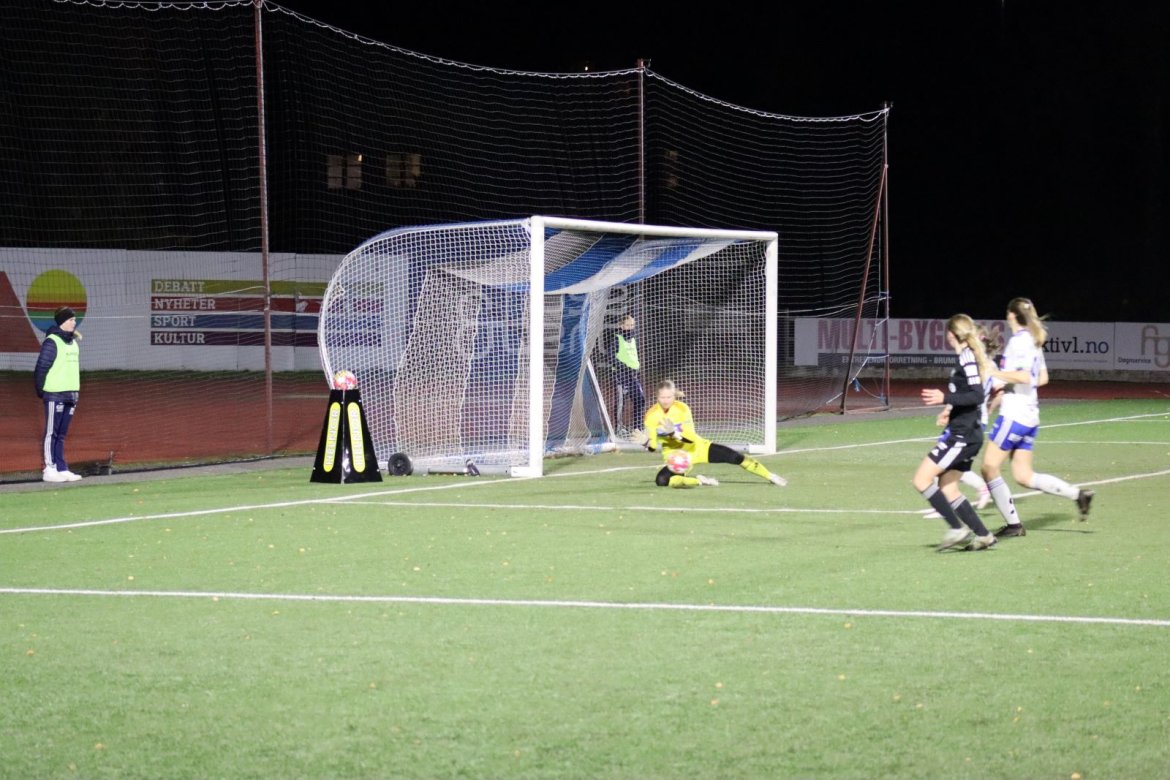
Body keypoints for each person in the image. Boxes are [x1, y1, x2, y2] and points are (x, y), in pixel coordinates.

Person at [981, 297, 1094, 538]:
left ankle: (1013, 525)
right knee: (1023, 476)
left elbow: (1024, 376)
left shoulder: (1018, 342)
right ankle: (1078, 495)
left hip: (1014, 415)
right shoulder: (1033, 340)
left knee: (989, 467)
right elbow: (1041, 378)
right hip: (1030, 415)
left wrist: (995, 373)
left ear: (1011, 315)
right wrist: (1008, 384)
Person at [913, 314, 997, 551]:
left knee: (921, 479)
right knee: (948, 487)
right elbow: (967, 396)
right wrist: (949, 410)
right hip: (967, 432)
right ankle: (984, 535)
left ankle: (956, 528)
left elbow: (977, 395)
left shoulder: (967, 357)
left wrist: (945, 398)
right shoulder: (968, 356)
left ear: (951, 334)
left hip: (962, 435)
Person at [633, 380, 788, 489]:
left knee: (735, 457)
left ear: (674, 396)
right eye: (662, 397)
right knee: (662, 481)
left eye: (669, 397)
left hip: (697, 448)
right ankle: (700, 481)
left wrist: (674, 433)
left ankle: (770, 476)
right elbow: (653, 447)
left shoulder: (682, 409)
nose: (665, 400)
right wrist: (646, 442)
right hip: (675, 456)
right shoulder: (651, 415)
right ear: (656, 397)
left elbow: (690, 439)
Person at [34, 306, 84, 482]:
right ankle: (49, 469)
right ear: (63, 321)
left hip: (71, 395)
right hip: (55, 394)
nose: (74, 322)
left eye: (74, 319)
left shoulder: (73, 342)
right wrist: (41, 390)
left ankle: (61, 468)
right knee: (51, 433)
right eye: (71, 320)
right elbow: (41, 367)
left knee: (61, 434)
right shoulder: (51, 342)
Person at [607, 313, 645, 434]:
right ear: (621, 326)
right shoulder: (616, 339)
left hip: (633, 375)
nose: (631, 327)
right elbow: (611, 358)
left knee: (640, 399)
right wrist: (625, 368)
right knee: (621, 402)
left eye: (632, 325)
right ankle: (619, 428)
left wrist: (635, 367)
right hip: (621, 375)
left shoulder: (633, 339)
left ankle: (637, 428)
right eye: (628, 325)